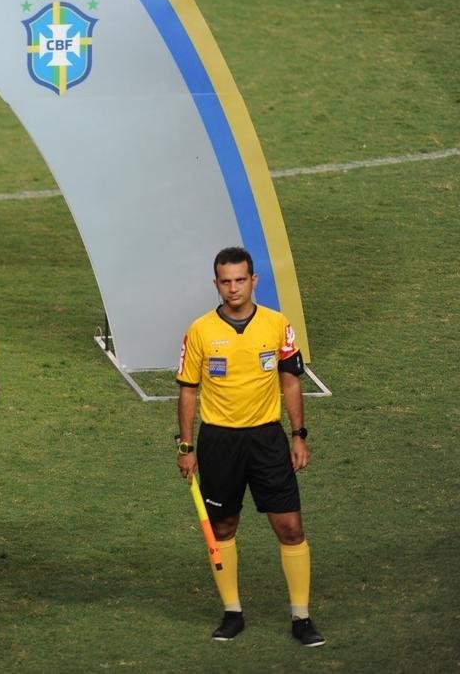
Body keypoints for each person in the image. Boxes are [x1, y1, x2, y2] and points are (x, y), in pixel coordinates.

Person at [175, 246, 325, 647]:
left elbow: (291, 380)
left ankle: (301, 617)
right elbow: (188, 390)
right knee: (223, 526)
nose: (234, 287)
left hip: (267, 440)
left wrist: (299, 435)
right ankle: (233, 613)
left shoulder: (277, 325)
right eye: (226, 281)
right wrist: (186, 445)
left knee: (290, 526)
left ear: (254, 280)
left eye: (241, 279)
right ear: (216, 284)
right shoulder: (201, 330)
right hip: (219, 442)